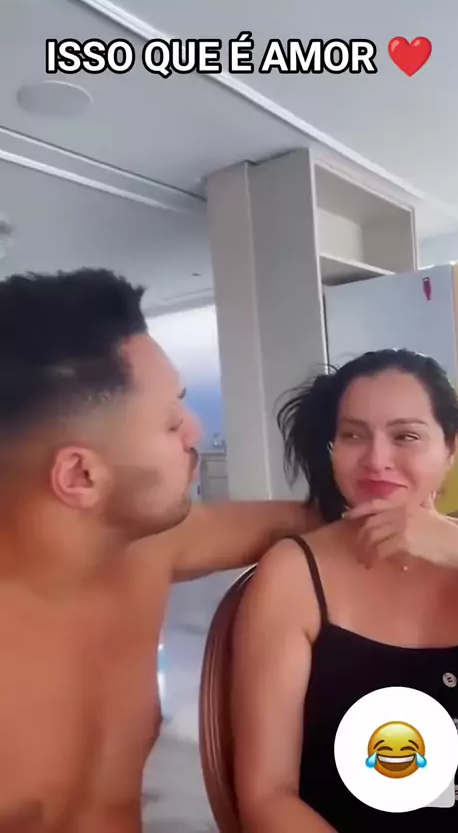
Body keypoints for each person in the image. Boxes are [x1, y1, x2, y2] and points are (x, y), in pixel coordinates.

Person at [0, 268, 321, 832]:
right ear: (80, 475)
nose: (196, 431)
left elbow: (319, 522)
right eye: (171, 424)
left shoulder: (146, 547)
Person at [231, 348, 458, 832]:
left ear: (452, 447)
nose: (376, 460)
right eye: (353, 435)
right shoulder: (294, 574)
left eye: (405, 436)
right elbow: (266, 796)